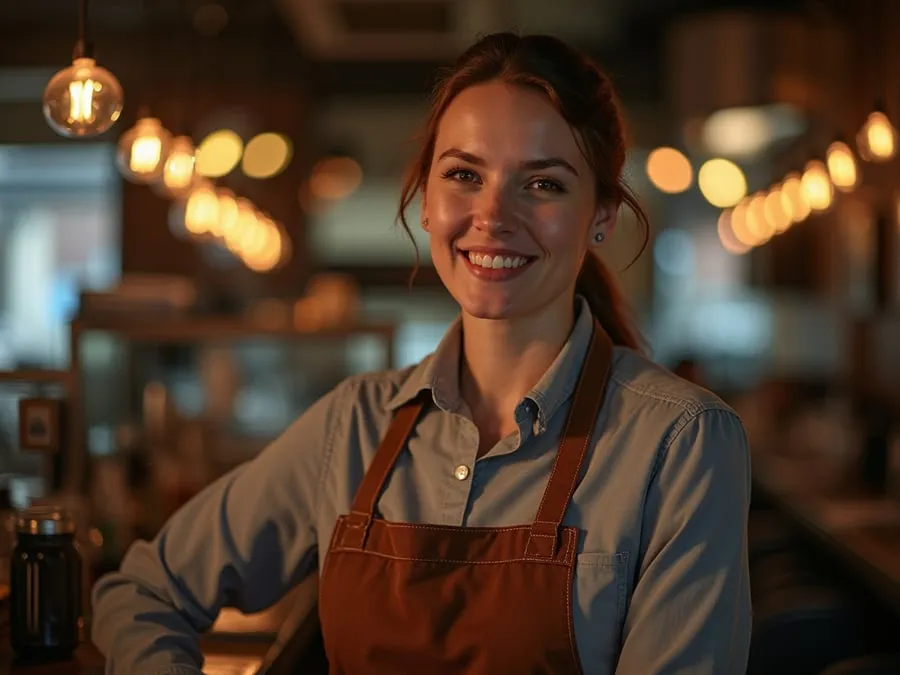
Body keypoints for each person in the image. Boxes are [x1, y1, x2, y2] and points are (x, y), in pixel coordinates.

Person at [92, 32, 752, 675]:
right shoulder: (352, 424)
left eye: (544, 184)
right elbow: (142, 592)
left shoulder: (681, 443)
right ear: (428, 204)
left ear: (601, 214)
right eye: (464, 174)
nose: (493, 215)